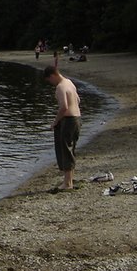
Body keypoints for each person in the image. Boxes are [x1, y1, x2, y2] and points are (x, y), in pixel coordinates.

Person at [43, 61, 81, 193]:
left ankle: (67, 183)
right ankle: (69, 180)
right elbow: (77, 100)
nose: (50, 83)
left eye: (49, 80)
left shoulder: (60, 87)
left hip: (69, 120)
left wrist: (55, 122)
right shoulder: (69, 83)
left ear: (52, 76)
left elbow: (64, 107)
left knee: (65, 150)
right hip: (77, 118)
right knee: (71, 148)